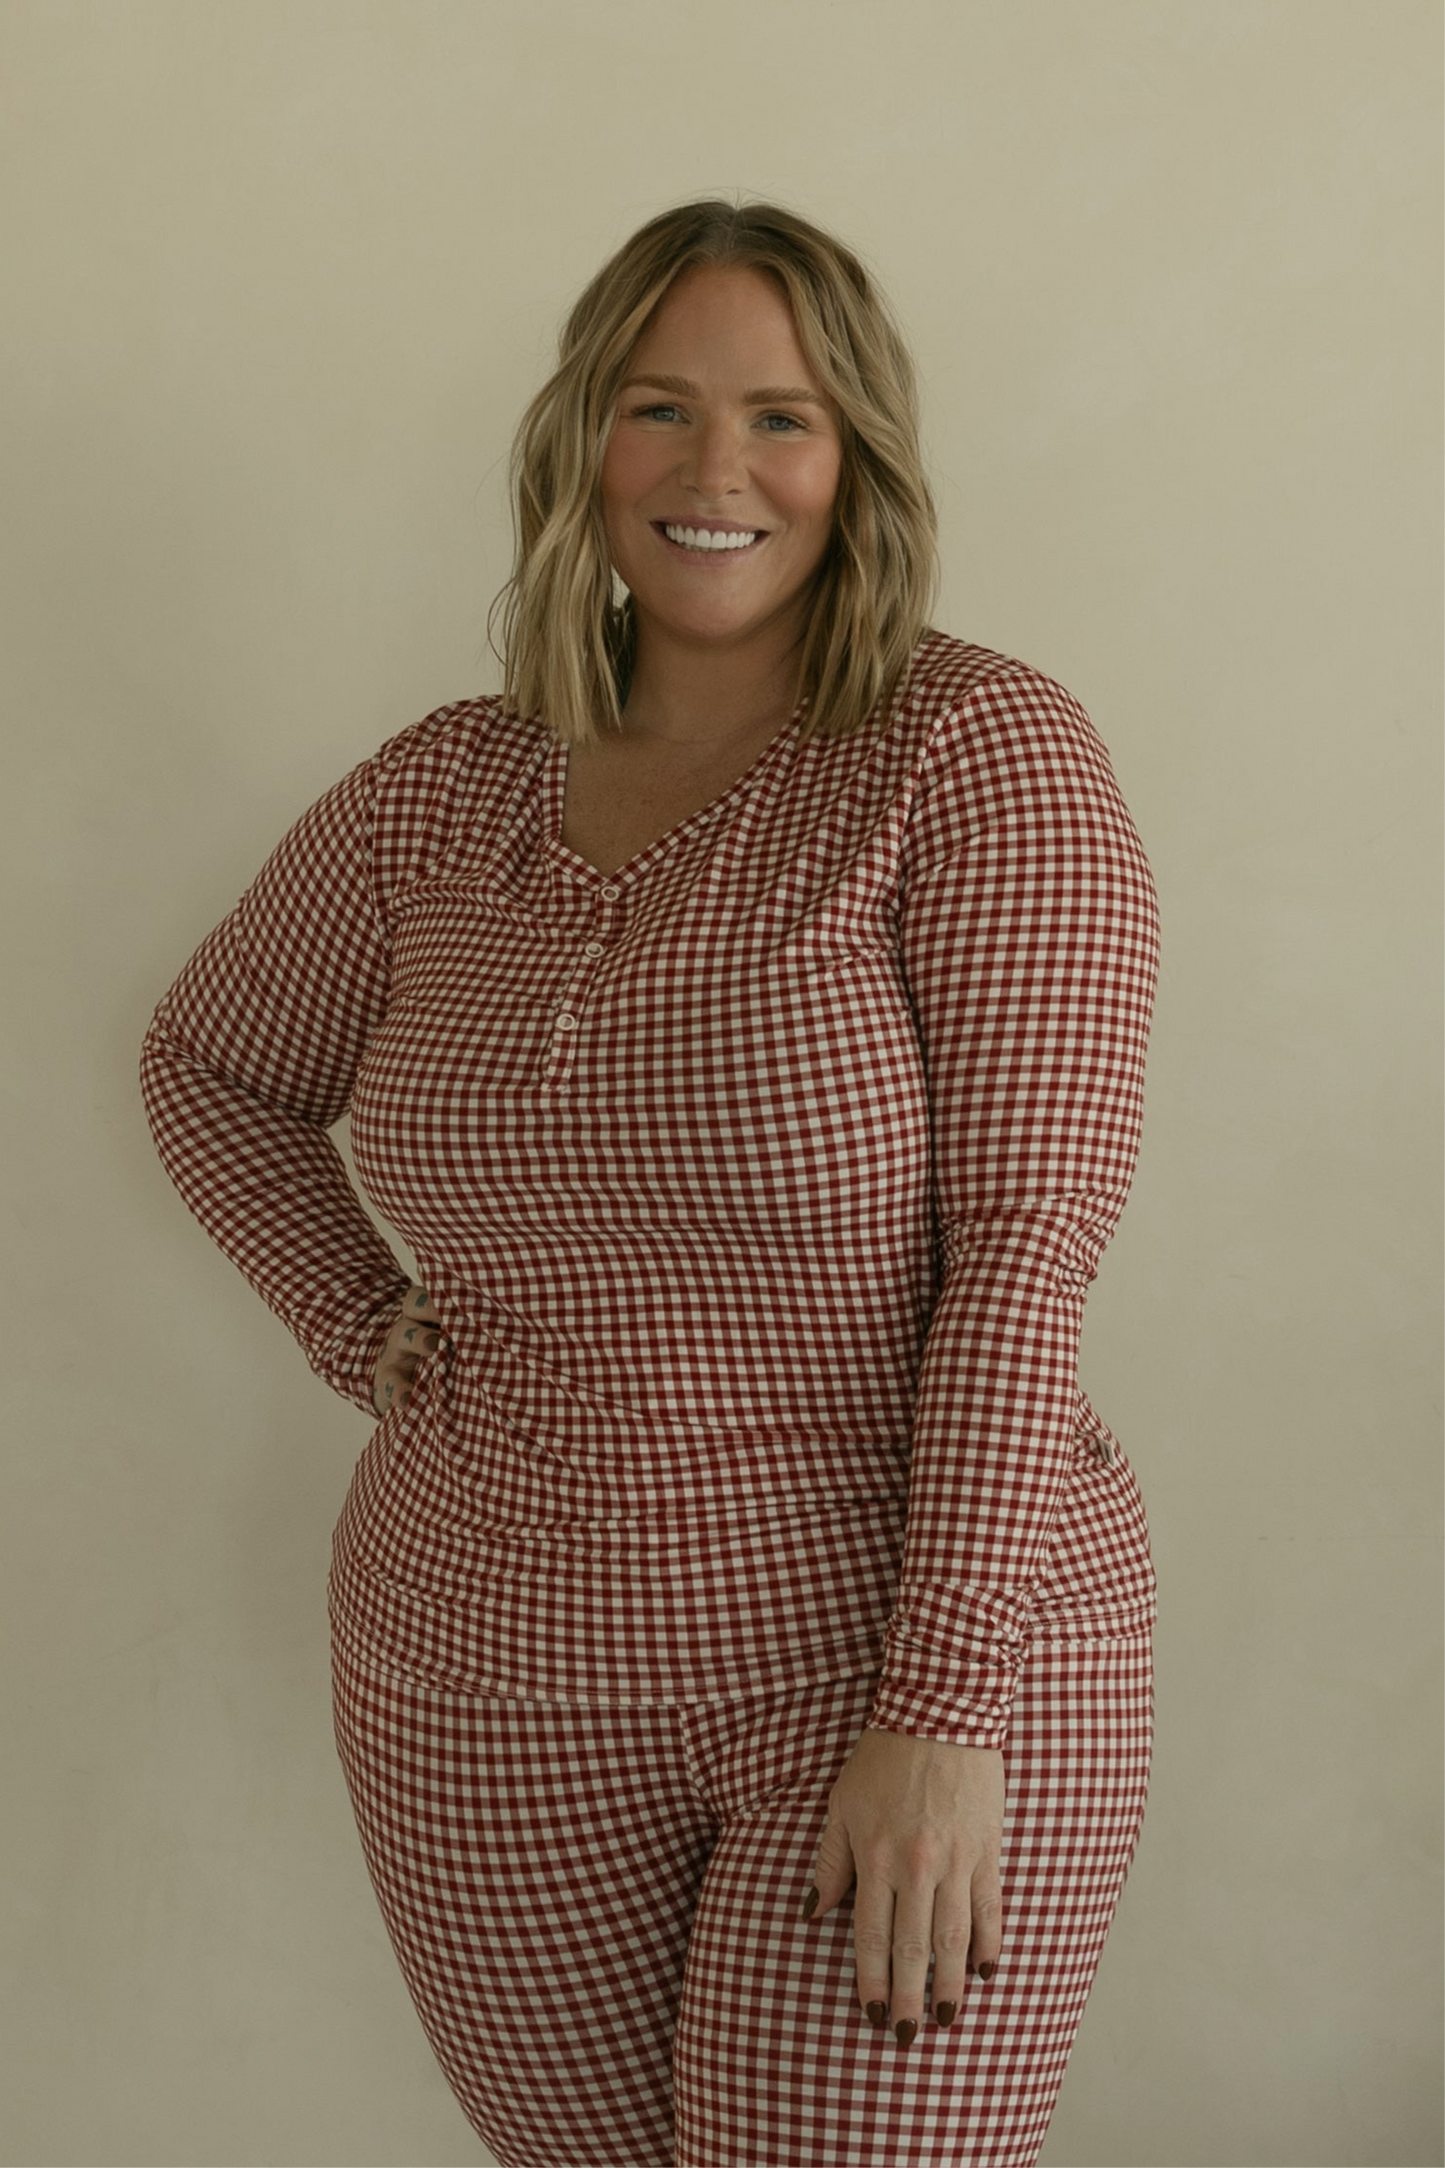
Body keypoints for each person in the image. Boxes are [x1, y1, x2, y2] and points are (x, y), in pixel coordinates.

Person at [140, 197, 1161, 2168]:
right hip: (476, 1677)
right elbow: (213, 1066)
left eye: (781, 417)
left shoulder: (970, 756)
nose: (716, 470)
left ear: (857, 459)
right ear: (580, 442)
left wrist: (946, 1703)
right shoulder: (442, 792)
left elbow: (1021, 1250)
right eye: (659, 407)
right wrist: (358, 1318)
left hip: (885, 1662)